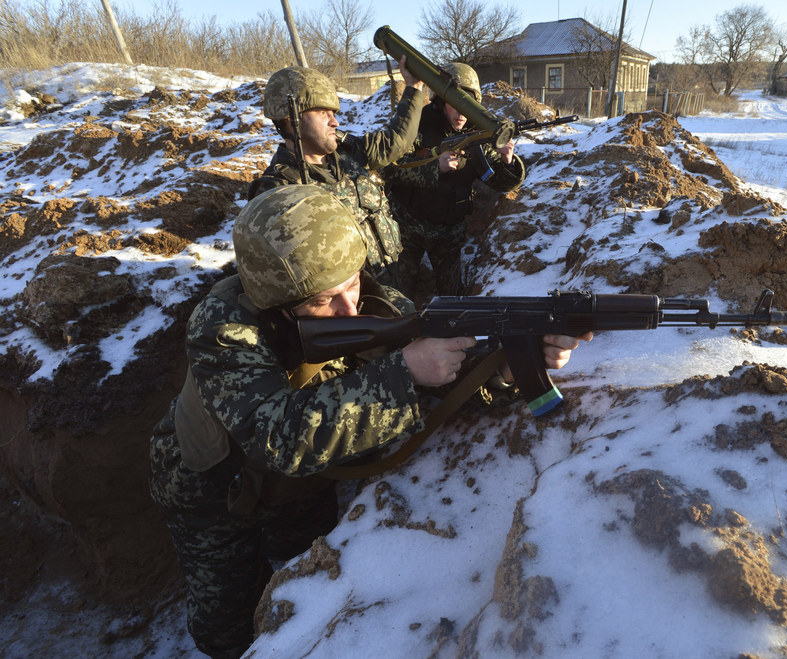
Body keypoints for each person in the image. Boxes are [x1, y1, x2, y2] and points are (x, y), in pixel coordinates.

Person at [148, 185, 590, 658]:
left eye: (352, 283)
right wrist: (403, 373)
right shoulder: (222, 328)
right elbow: (276, 436)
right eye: (323, 300)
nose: (349, 309)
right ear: (277, 302)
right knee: (226, 626)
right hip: (210, 489)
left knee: (299, 568)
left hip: (303, 485)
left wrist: (502, 368)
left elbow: (446, 379)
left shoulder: (376, 303)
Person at [248, 58, 426, 284]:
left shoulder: (349, 153)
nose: (336, 122)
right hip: (346, 308)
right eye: (323, 112)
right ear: (290, 118)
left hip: (390, 285)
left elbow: (396, 142)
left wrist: (413, 87)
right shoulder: (278, 190)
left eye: (334, 112)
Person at [384, 62, 526, 298]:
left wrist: (508, 162)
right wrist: (433, 167)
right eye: (456, 104)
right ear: (441, 100)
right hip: (407, 227)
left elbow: (500, 184)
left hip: (449, 233)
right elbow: (390, 167)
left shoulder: (479, 132)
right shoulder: (417, 122)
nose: (461, 114)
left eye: (468, 107)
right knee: (398, 294)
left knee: (452, 298)